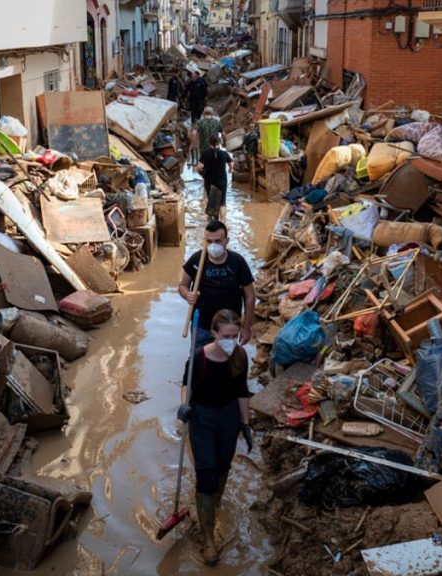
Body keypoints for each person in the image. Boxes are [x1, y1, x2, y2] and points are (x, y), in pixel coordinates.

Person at [177, 309, 253, 565]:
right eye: (226, 335)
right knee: (207, 471)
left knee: (223, 465)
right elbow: (186, 384)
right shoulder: (200, 358)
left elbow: (242, 391)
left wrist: (246, 424)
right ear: (214, 334)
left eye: (235, 335)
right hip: (203, 418)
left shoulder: (240, 356)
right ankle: (207, 537)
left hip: (229, 416)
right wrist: (184, 405)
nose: (231, 340)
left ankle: (212, 506)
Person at [179, 220, 255, 348]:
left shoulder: (237, 262)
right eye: (209, 241)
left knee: (226, 361)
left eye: (218, 241)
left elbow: (250, 296)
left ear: (227, 241)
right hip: (202, 324)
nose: (213, 245)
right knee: (200, 360)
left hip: (229, 327)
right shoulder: (196, 260)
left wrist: (246, 327)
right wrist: (187, 295)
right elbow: (182, 286)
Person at [197, 134, 233, 220]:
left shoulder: (205, 153)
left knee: (212, 199)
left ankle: (213, 219)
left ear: (209, 143)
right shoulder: (224, 153)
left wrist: (201, 173)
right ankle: (223, 221)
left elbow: (199, 167)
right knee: (222, 201)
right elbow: (231, 162)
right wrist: (230, 170)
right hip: (222, 181)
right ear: (219, 143)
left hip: (210, 181)